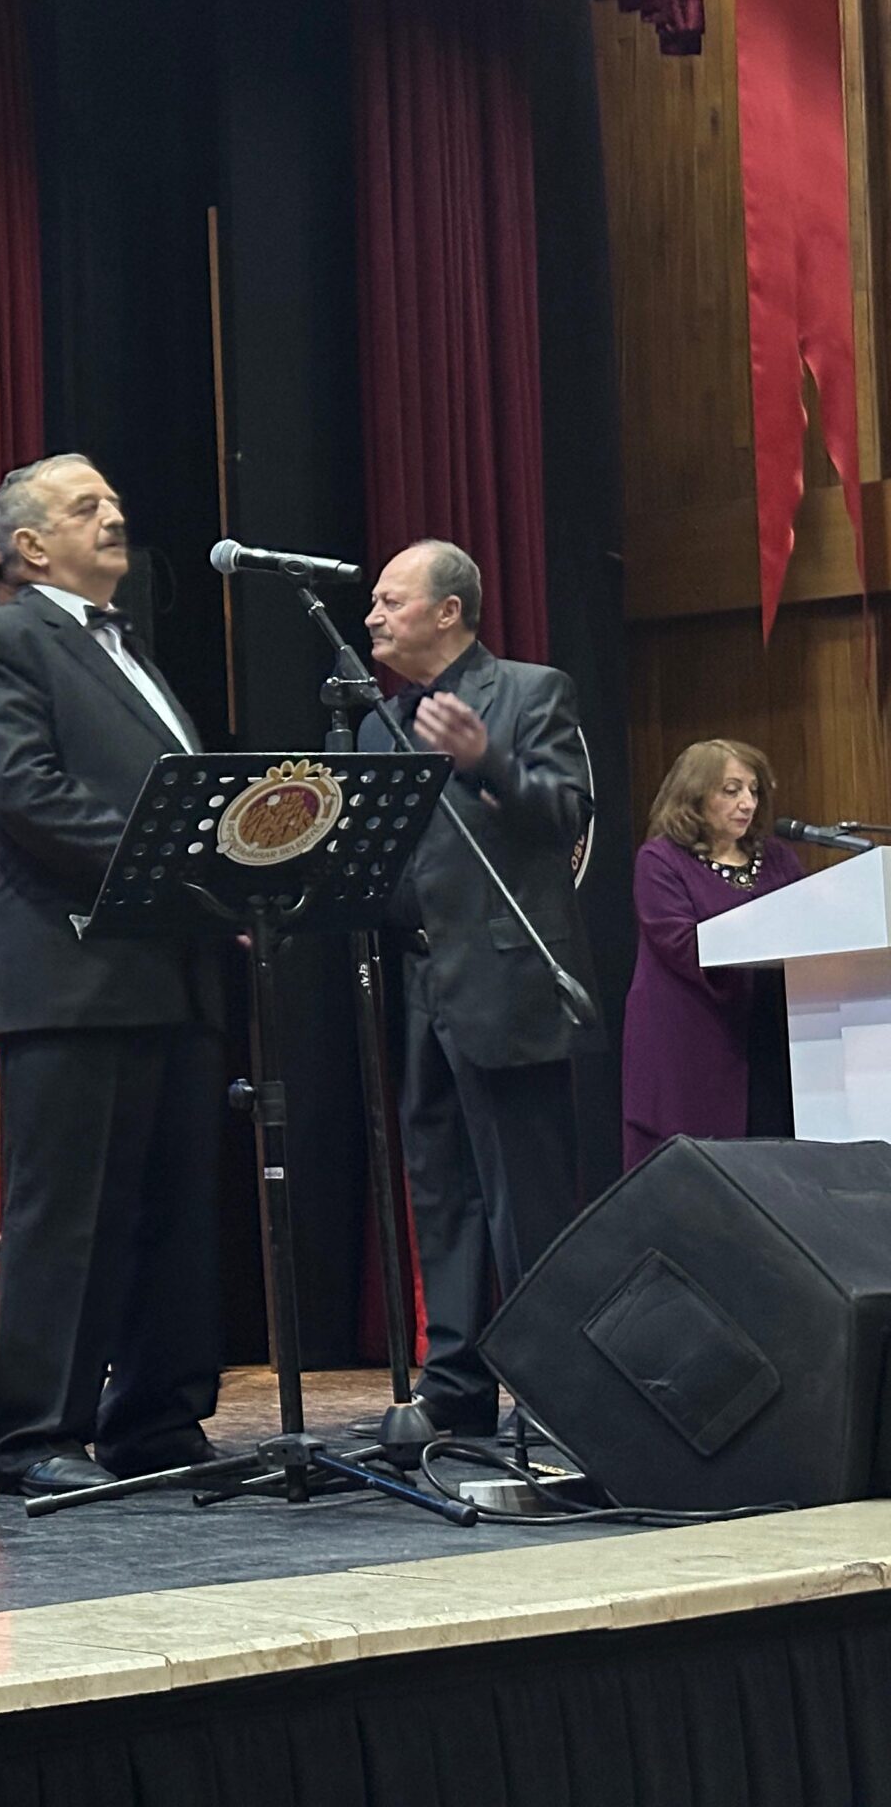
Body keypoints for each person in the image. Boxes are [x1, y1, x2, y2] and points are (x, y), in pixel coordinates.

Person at [0, 454, 227, 1496]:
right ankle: (35, 1436)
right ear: (28, 546)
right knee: (69, 1218)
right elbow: (29, 796)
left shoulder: (126, 645)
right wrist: (188, 864)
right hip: (75, 973)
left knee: (173, 1211)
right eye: (84, 505)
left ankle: (154, 1419)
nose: (114, 513)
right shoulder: (2, 643)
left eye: (112, 497)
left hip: (170, 971)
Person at [359, 538, 603, 1439]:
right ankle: (455, 1388)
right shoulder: (376, 723)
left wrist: (487, 759)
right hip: (420, 978)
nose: (374, 615)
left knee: (524, 1199)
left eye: (392, 600)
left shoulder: (532, 693)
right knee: (442, 1192)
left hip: (508, 980)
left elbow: (567, 814)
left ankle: (551, 1395)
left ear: (449, 611)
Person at [623, 740, 804, 1170]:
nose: (747, 803)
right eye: (731, 790)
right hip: (689, 1038)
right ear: (695, 795)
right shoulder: (660, 860)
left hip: (768, 1035)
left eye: (753, 791)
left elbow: (806, 922)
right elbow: (680, 943)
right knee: (696, 1174)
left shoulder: (777, 857)